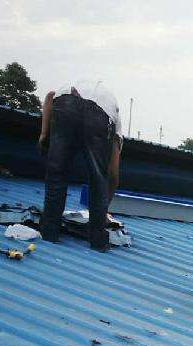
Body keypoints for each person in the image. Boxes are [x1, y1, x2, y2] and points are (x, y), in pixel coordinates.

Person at [38, 80, 122, 252]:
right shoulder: (116, 122)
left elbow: (49, 97)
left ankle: (49, 231)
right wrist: (104, 209)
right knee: (98, 178)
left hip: (65, 104)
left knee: (57, 172)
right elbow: (112, 174)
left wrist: (44, 134)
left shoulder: (69, 86)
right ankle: (98, 241)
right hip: (99, 116)